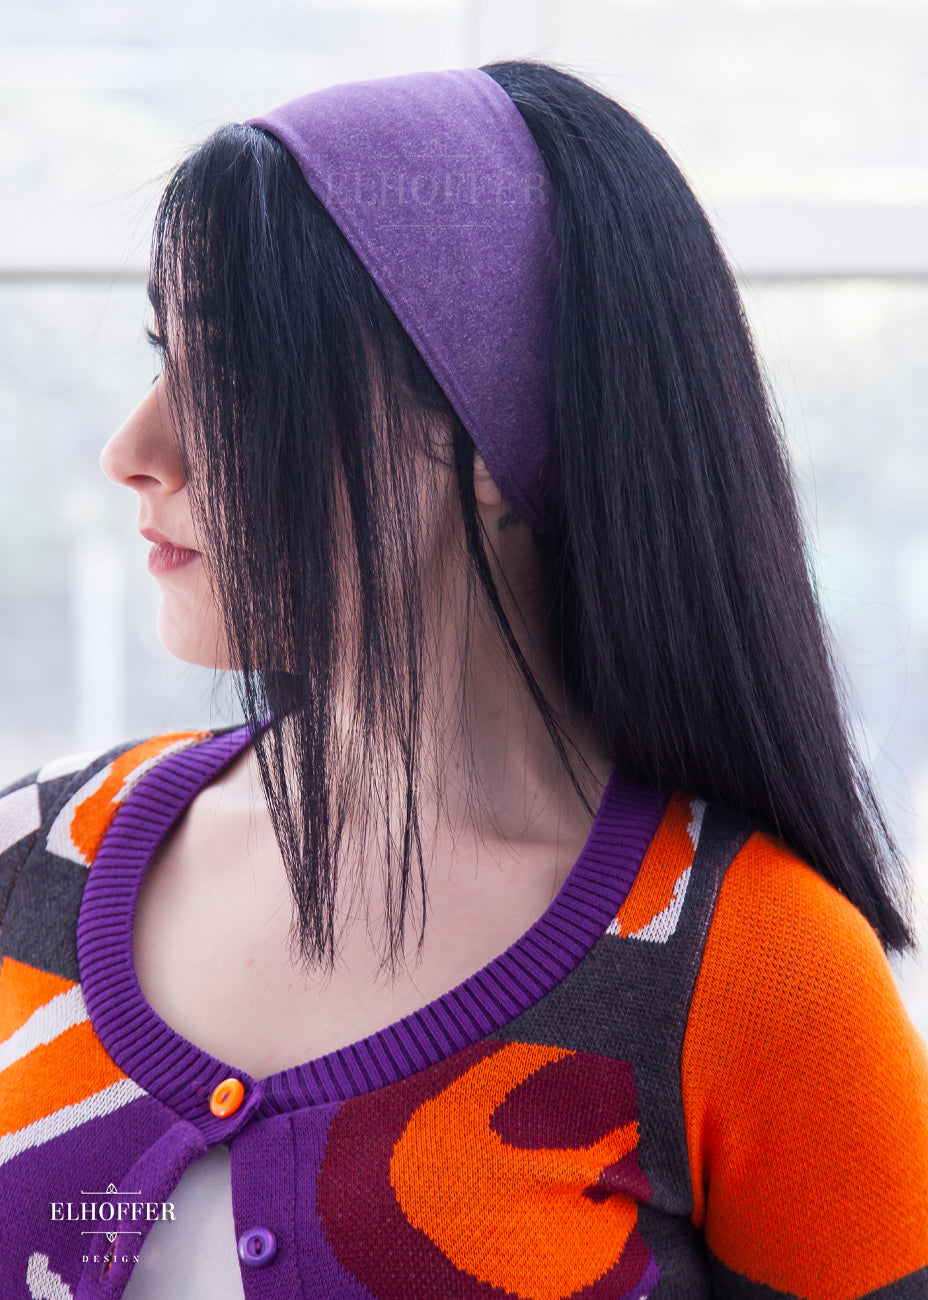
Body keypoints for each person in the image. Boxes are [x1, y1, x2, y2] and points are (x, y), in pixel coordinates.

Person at [0, 59, 925, 1300]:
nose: (135, 449)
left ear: (487, 444)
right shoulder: (25, 861)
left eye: (230, 369)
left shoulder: (762, 972)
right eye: (163, 353)